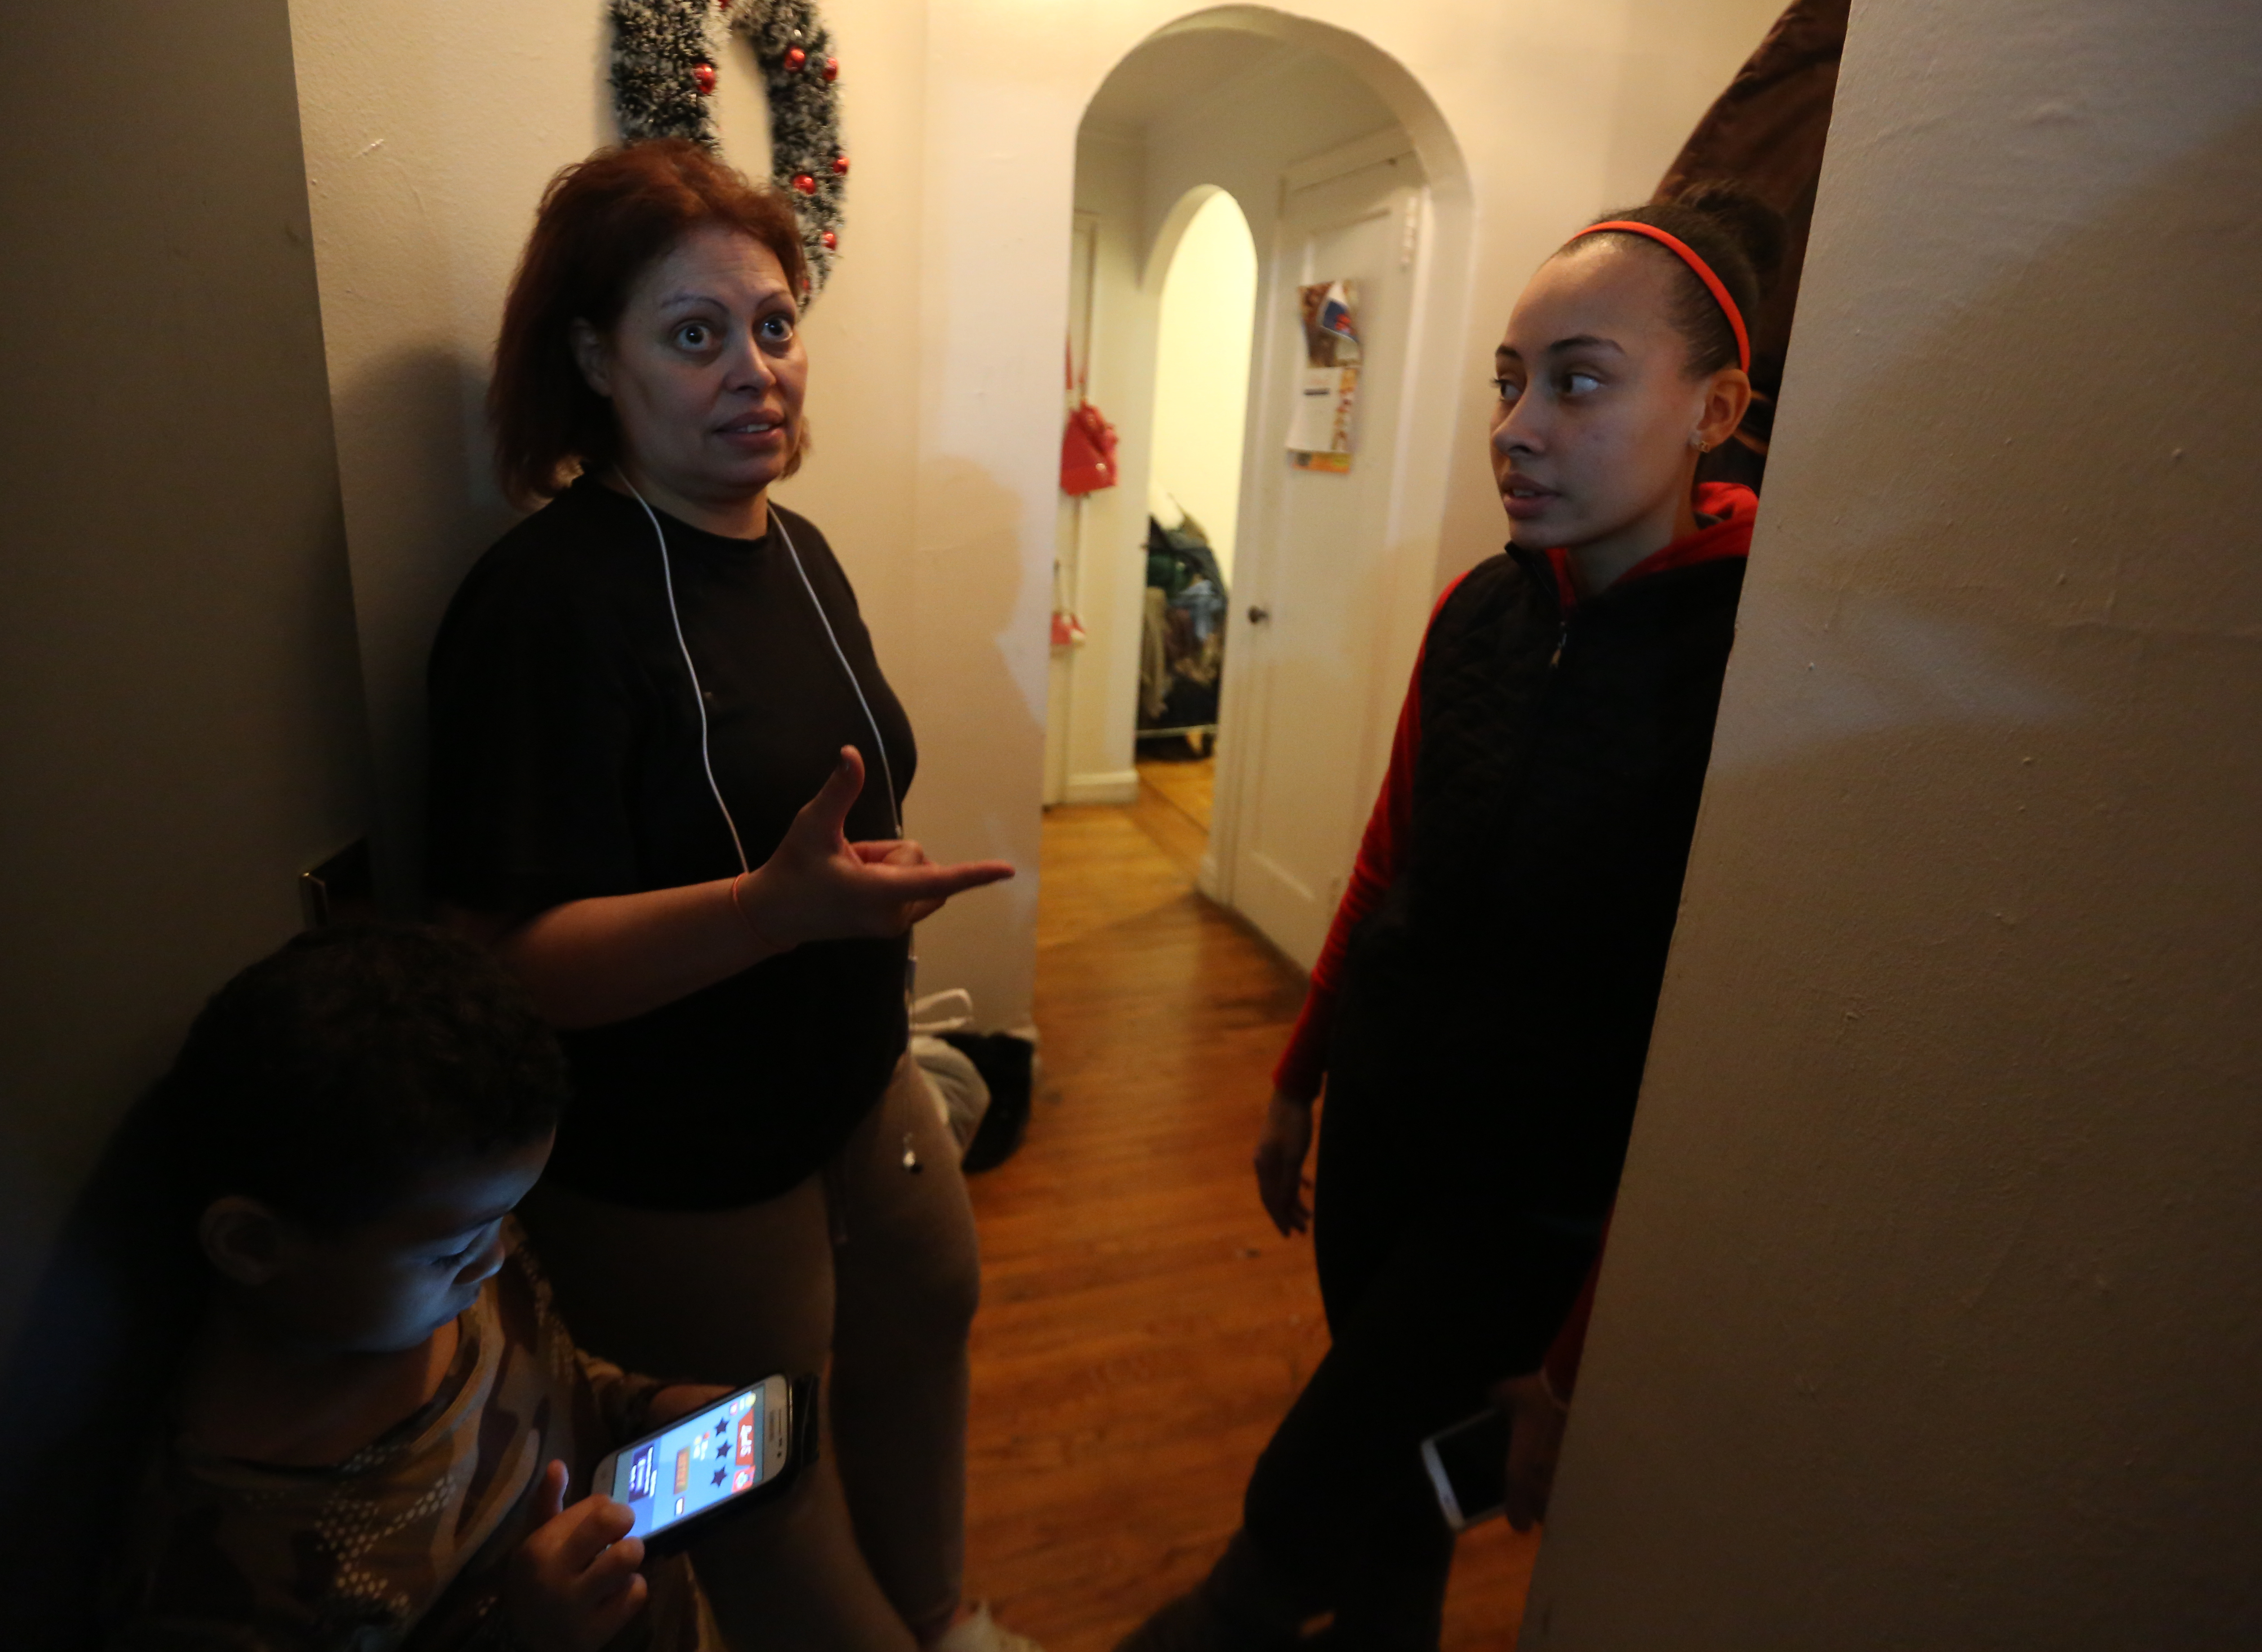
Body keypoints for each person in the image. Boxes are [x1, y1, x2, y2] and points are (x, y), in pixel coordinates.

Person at [1119, 183, 1783, 1652]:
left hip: (1530, 1209)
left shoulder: (1752, 666)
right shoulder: (1481, 613)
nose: (1518, 426)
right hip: (1383, 1144)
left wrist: (1578, 1354)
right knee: (1398, 1522)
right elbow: (1389, 866)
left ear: (1716, 406)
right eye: (1510, 380)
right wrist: (1300, 1081)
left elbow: (1713, 1045)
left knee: (1285, 1528)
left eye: (1580, 381)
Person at [425, 138, 1030, 1652]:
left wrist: (834, 905)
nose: (756, 368)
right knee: (751, 1489)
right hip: (675, 1167)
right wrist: (773, 909)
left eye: (773, 323)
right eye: (696, 334)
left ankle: (941, 1616)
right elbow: (504, 965)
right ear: (595, 360)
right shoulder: (546, 603)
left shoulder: (801, 550)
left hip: (850, 1084)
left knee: (923, 1328)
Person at [104, 922, 727, 1652]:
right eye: (455, 1250)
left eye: (508, 1218)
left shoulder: (452, 1267)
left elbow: (556, 1386)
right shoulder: (220, 1578)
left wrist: (645, 1409)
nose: (497, 1256)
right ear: (253, 1244)